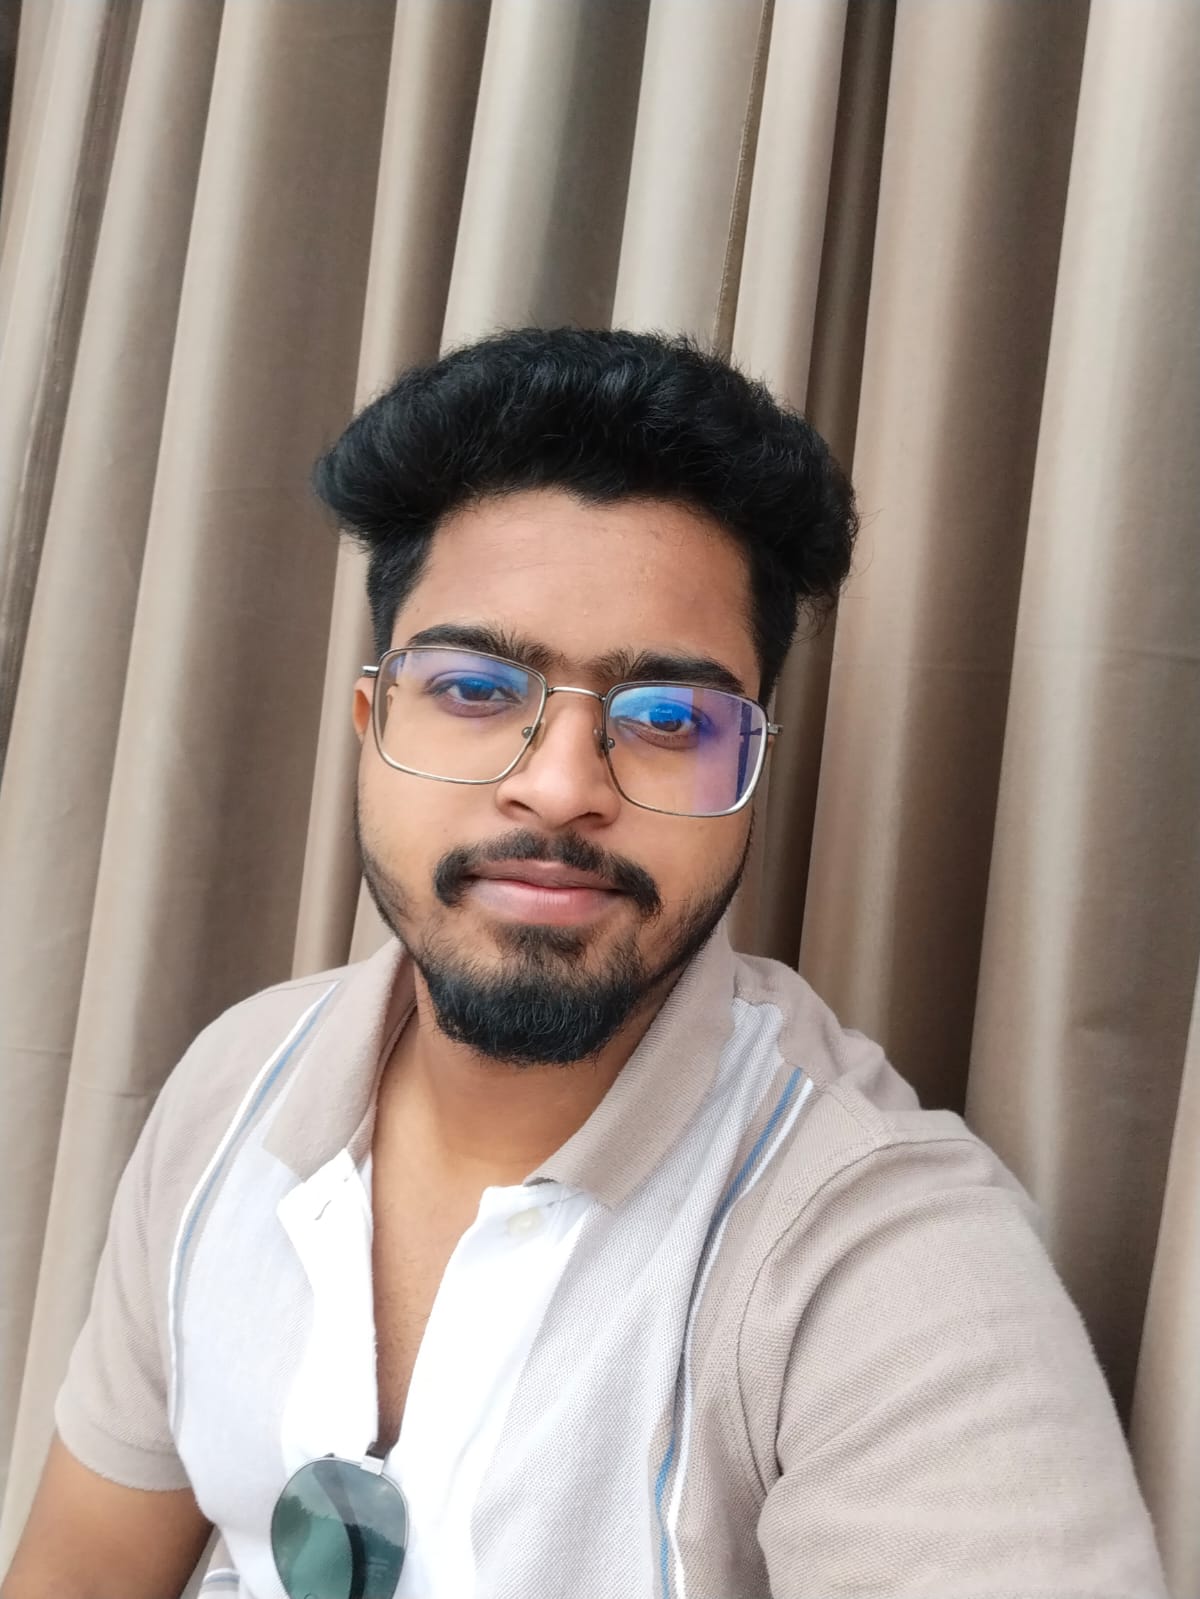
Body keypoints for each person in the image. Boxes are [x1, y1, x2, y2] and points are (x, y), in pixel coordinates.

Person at [4, 328, 1166, 1599]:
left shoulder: (882, 1261)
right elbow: (84, 1571)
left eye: (668, 717)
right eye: (474, 690)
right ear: (372, 726)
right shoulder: (237, 1083)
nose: (560, 788)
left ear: (749, 776)